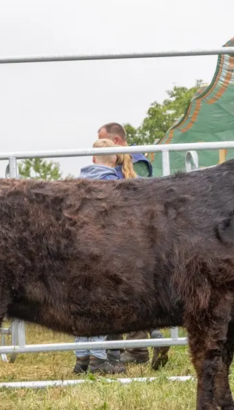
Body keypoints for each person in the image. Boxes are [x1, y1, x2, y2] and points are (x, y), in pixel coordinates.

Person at [96, 123, 170, 370]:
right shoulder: (141, 162)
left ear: (116, 141)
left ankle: (132, 348)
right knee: (138, 287)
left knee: (124, 289)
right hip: (145, 233)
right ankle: (152, 337)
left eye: (103, 141)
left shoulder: (121, 167)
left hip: (126, 234)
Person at [72, 139, 134, 374]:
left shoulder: (77, 181)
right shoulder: (115, 185)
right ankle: (99, 359)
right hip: (102, 251)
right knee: (99, 304)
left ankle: (82, 359)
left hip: (77, 249)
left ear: (93, 158)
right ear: (116, 160)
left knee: (80, 305)